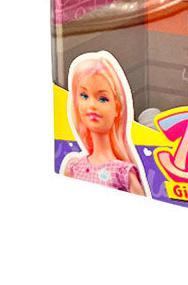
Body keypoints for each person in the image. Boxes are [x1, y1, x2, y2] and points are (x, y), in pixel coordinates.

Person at [60, 52, 148, 195]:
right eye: (84, 96)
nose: (92, 105)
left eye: (102, 99)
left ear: (117, 108)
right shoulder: (74, 168)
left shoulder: (122, 173)